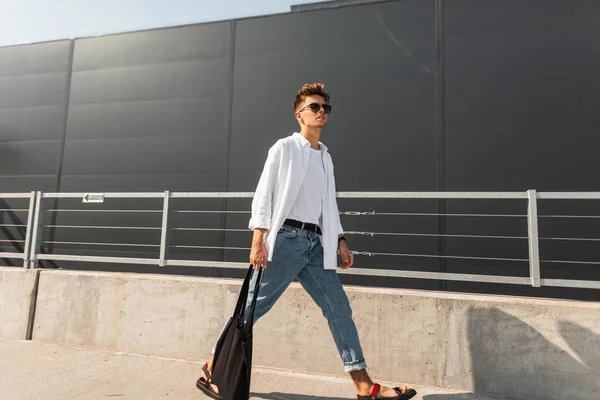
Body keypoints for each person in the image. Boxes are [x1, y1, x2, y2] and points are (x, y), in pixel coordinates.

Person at [197, 83, 417, 400]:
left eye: (326, 108)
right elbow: (265, 192)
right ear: (299, 114)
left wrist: (340, 239)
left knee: (339, 310)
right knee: (251, 309)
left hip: (315, 245)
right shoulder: (284, 148)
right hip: (284, 240)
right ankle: (213, 367)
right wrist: (258, 237)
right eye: (315, 107)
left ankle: (364, 386)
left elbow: (328, 204)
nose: (322, 112)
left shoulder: (325, 158)